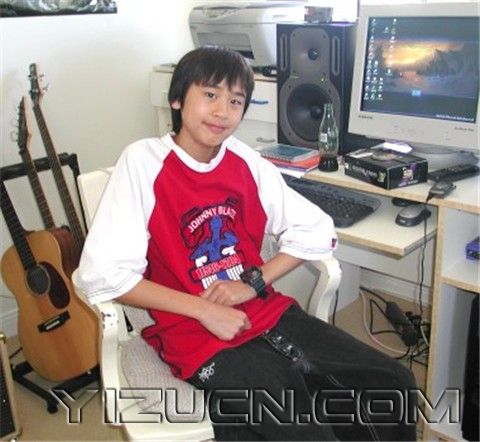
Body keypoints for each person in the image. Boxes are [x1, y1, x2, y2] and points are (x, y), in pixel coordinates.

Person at [76, 46, 417, 441]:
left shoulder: (245, 161)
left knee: (395, 383)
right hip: (196, 336)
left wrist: (252, 283)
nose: (223, 111)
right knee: (304, 431)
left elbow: (318, 230)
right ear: (177, 98)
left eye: (235, 101)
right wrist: (204, 309)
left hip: (268, 313)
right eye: (210, 94)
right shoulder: (143, 163)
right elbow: (103, 275)